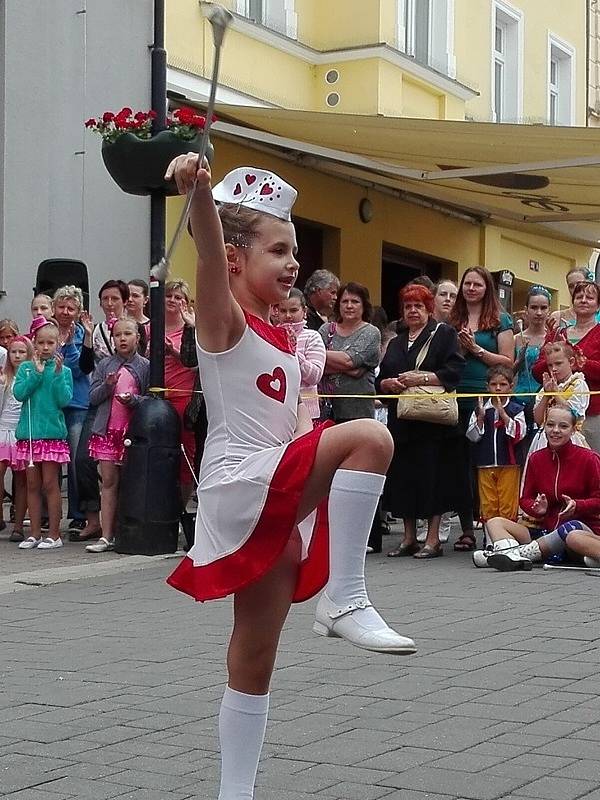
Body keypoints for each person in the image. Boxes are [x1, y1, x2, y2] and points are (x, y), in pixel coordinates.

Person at [164, 159, 415, 800]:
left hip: (276, 487)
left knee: (255, 653)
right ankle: (343, 598)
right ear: (235, 259)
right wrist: (196, 193)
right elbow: (208, 268)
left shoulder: (286, 335)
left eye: (295, 250)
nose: (293, 261)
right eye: (279, 249)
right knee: (371, 435)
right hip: (244, 480)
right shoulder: (225, 325)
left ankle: (234, 791)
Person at [377, 284, 465, 559]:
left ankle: (432, 540)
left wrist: (423, 377)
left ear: (429, 309)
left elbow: (454, 371)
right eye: (408, 306)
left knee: (432, 477)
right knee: (404, 477)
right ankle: (408, 538)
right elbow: (383, 378)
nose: (413, 311)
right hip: (402, 420)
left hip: (431, 421)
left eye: (418, 306)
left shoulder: (444, 334)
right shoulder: (395, 341)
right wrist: (387, 383)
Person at [473, 405, 600, 571]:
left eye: (563, 426)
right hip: (545, 531)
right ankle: (516, 556)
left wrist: (578, 505)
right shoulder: (536, 458)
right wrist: (536, 508)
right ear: (544, 426)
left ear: (573, 430)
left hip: (583, 530)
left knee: (572, 533)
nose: (555, 430)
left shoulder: (589, 458)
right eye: (550, 425)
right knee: (495, 522)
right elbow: (525, 499)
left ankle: (512, 555)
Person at [449, 267, 514, 551]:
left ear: (487, 288)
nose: (471, 288)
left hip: (489, 396)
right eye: (467, 284)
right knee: (460, 465)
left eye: (477, 284)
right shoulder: (453, 318)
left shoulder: (501, 319)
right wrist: (459, 350)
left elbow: (508, 361)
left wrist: (475, 349)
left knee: (486, 462)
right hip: (456, 394)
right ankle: (466, 528)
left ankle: (494, 526)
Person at [87, 318, 149, 553]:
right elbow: (92, 398)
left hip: (131, 433)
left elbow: (151, 399)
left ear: (138, 337)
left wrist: (134, 400)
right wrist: (108, 386)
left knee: (131, 482)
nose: (122, 338)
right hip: (106, 431)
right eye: (118, 335)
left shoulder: (144, 365)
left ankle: (127, 531)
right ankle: (106, 535)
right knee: (109, 482)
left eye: (127, 334)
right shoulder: (104, 365)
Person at [13, 318, 72, 550]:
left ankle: (54, 534)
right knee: (32, 485)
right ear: (34, 343)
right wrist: (36, 374)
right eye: (41, 343)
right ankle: (34, 533)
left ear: (58, 344)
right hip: (29, 435)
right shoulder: (26, 367)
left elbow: (64, 399)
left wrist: (56, 374)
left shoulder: (63, 370)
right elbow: (19, 393)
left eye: (50, 343)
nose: (46, 347)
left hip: (51, 436)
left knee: (50, 484)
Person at [532, 280, 600, 452]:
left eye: (590, 297)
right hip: (555, 417)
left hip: (592, 414)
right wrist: (551, 342)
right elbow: (538, 370)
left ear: (598, 306)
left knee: (591, 463)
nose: (583, 300)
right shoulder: (558, 333)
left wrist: (582, 364)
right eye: (579, 297)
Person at [466, 366, 525, 527]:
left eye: (503, 384)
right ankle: (490, 542)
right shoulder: (481, 409)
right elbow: (472, 436)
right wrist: (480, 419)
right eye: (493, 384)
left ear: (511, 386)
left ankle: (507, 540)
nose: (498, 388)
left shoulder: (516, 408)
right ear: (487, 386)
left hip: (509, 464)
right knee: (488, 503)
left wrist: (504, 415)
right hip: (485, 463)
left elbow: (520, 434)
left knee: (507, 504)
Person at [53, 285, 90, 535]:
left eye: (71, 308)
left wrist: (69, 345)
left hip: (77, 404)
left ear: (78, 311)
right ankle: (48, 514)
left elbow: (78, 369)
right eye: (61, 307)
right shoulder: (45, 333)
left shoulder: (82, 335)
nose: (65, 311)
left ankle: (77, 514)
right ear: (54, 308)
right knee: (51, 460)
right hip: (51, 405)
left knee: (76, 461)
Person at [319, 282, 381, 423]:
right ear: (338, 305)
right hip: (326, 410)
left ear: (364, 305)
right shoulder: (326, 329)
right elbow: (314, 362)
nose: (349, 306)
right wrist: (349, 368)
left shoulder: (371, 332)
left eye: (355, 302)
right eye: (344, 301)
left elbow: (349, 360)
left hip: (358, 412)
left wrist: (322, 354)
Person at [164, 279, 199, 509]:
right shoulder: (150, 328)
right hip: (157, 399)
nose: (173, 301)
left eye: (179, 297)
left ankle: (179, 509)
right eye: (169, 296)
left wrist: (173, 352)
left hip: (183, 397)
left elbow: (195, 363)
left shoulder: (193, 328)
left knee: (186, 457)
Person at [528, 341, 589, 456]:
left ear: (571, 362)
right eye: (550, 365)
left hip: (569, 437)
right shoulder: (546, 387)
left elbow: (574, 415)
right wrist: (546, 395)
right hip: (544, 439)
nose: (554, 369)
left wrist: (556, 393)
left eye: (558, 364)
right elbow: (538, 419)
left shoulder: (578, 384)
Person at [0, 336, 33, 541]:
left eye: (21, 352)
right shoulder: (4, 378)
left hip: (21, 432)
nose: (17, 356)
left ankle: (19, 526)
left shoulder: (30, 377)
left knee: (22, 481)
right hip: (3, 430)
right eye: (13, 352)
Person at [277, 288, 326, 422]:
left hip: (307, 413)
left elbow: (314, 376)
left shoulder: (313, 336)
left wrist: (293, 352)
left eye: (293, 310)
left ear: (304, 311)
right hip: (277, 410)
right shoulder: (271, 335)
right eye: (283, 311)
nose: (288, 316)